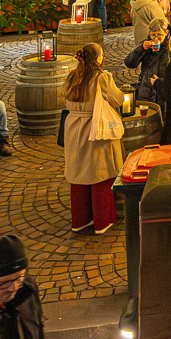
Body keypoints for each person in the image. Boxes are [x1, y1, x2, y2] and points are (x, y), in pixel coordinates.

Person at [61, 41, 126, 232]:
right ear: (98, 58)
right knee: (100, 174)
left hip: (73, 127)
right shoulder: (101, 78)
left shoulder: (72, 76)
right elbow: (117, 99)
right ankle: (102, 221)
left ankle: (81, 221)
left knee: (79, 174)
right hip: (95, 127)